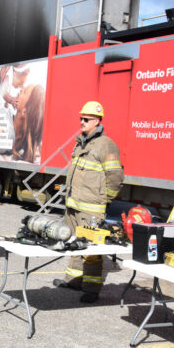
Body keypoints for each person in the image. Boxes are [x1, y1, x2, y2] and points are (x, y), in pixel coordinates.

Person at [53, 101, 124, 303]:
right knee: (73, 242)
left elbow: (115, 177)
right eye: (81, 118)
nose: (82, 122)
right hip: (74, 205)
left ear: (97, 121)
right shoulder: (81, 142)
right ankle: (74, 280)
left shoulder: (105, 144)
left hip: (91, 208)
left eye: (87, 119)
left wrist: (106, 199)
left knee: (91, 250)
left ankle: (92, 289)